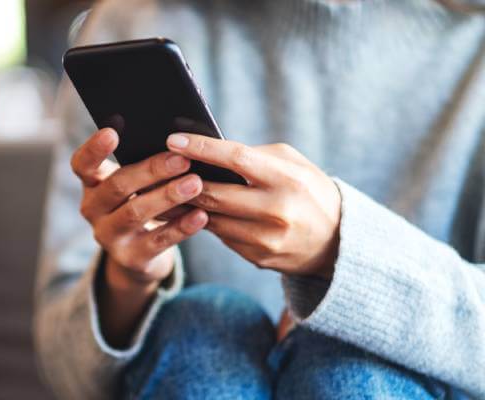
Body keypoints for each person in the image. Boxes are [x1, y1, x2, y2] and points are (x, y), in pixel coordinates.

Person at [34, 0, 485, 398]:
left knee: (352, 359)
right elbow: (65, 375)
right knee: (202, 326)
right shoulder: (136, 19)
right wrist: (127, 278)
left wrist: (343, 252)